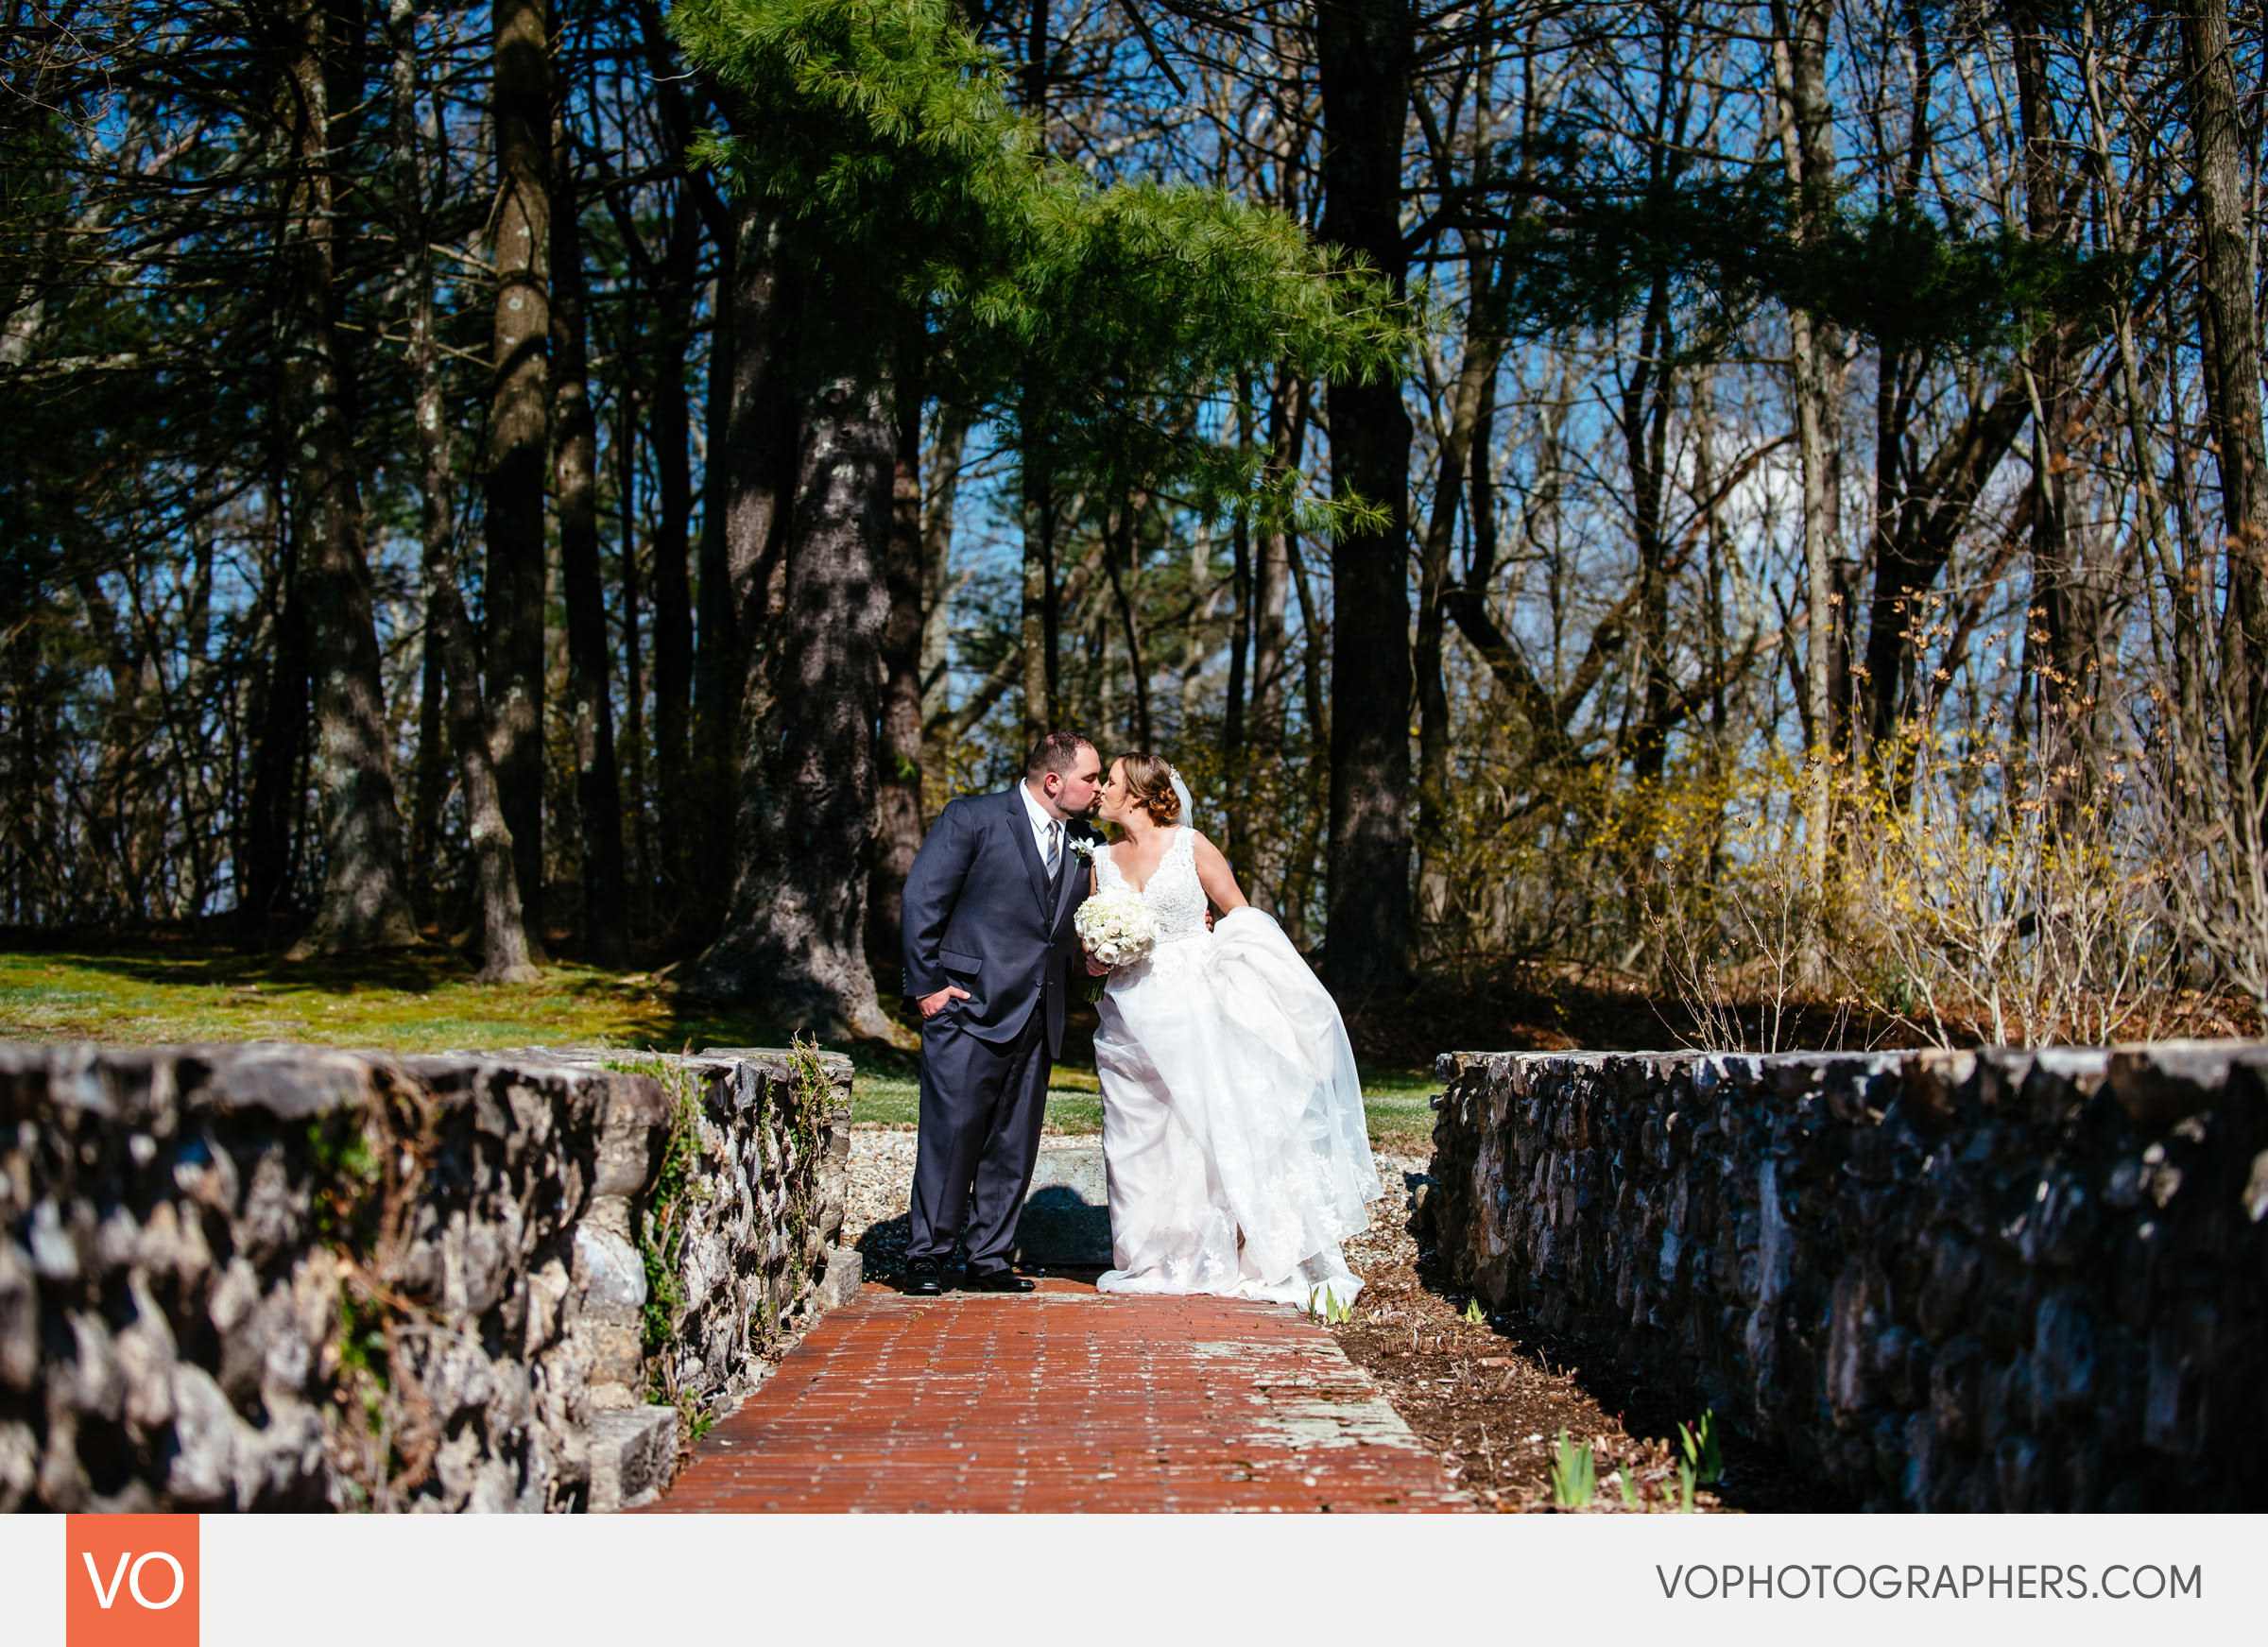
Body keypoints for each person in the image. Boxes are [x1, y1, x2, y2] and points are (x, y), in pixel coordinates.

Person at [1083, 753, 1382, 1308]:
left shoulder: (1190, 846)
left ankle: (1223, 1251)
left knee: (1206, 1129)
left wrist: (1238, 978)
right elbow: (1093, 948)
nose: (1099, 788)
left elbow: (1240, 915)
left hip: (1197, 1001)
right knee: (1136, 1136)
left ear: (1141, 795)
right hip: (1130, 1012)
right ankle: (1155, 1255)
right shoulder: (1100, 858)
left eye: (1112, 781)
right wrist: (1099, 956)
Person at [897, 731, 1106, 1295]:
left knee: (1015, 1141)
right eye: (1092, 778)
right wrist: (928, 987)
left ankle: (988, 1257)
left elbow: (1089, 916)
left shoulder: (1088, 839)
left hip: (1040, 1012)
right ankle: (927, 1254)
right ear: (1053, 781)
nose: (1099, 788)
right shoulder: (973, 818)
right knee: (952, 1133)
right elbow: (922, 899)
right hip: (967, 1007)